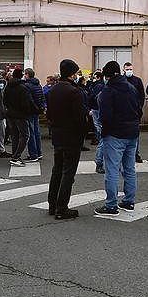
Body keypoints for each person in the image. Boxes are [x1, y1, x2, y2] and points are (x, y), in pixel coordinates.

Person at [94, 61, 142, 216]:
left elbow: (105, 116)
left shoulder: (108, 91)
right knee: (129, 169)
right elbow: (139, 110)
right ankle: (129, 201)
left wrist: (104, 130)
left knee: (112, 170)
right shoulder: (131, 88)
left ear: (106, 76)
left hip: (115, 134)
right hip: (132, 133)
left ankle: (111, 205)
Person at [46, 59, 87, 220]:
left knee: (57, 170)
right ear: (71, 74)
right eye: (76, 73)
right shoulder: (74, 92)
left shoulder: (53, 90)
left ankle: (52, 204)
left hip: (57, 135)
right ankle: (62, 208)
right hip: (72, 137)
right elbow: (80, 118)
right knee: (68, 173)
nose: (77, 75)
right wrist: (82, 134)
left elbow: (49, 114)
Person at [5, 68, 39, 166]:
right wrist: (32, 111)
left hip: (10, 114)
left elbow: (4, 100)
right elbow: (26, 103)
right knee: (25, 135)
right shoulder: (23, 88)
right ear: (21, 76)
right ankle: (16, 157)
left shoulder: (8, 86)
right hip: (20, 115)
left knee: (15, 136)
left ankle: (15, 155)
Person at [122, 62, 145, 163]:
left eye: (130, 69)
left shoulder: (137, 80)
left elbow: (142, 95)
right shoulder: (121, 80)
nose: (129, 71)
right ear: (123, 70)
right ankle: (124, 153)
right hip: (124, 112)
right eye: (127, 69)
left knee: (135, 133)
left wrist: (139, 107)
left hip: (135, 111)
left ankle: (135, 153)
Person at [23, 68, 46, 161]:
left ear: (27, 75)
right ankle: (39, 153)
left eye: (25, 74)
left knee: (31, 133)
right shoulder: (38, 84)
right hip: (37, 111)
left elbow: (29, 100)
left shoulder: (27, 86)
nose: (24, 76)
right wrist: (41, 107)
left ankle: (33, 154)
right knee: (37, 132)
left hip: (30, 111)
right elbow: (42, 97)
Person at [88, 71, 105, 173]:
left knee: (102, 137)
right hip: (100, 111)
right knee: (103, 139)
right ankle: (99, 163)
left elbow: (92, 97)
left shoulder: (98, 86)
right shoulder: (103, 86)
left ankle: (99, 163)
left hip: (97, 110)